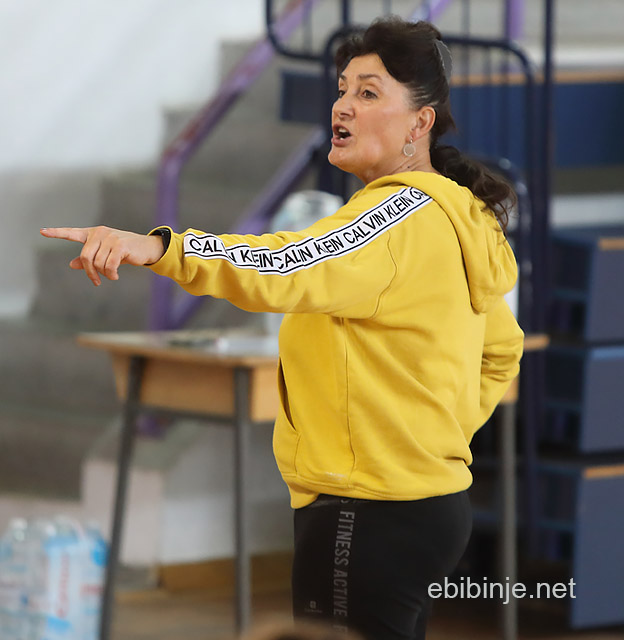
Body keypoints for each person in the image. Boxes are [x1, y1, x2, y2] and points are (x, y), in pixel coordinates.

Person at [41, 16, 523, 640]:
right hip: (427, 506)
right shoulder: (460, 216)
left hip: (365, 509)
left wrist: (159, 248)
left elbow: (283, 265)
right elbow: (502, 349)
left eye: (369, 93)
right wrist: (428, 436)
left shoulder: (396, 216)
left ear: (419, 123)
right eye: (343, 89)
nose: (343, 106)